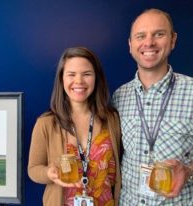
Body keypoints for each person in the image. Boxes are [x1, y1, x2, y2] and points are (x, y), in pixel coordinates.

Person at [112, 8, 193, 205]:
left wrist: (189, 171)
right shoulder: (118, 98)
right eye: (140, 36)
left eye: (159, 34)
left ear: (173, 40)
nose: (149, 42)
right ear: (130, 45)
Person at [28, 47, 122, 206]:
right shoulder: (46, 123)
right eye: (71, 74)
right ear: (61, 79)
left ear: (96, 78)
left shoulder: (112, 119)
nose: (79, 81)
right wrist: (49, 173)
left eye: (86, 74)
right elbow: (33, 169)